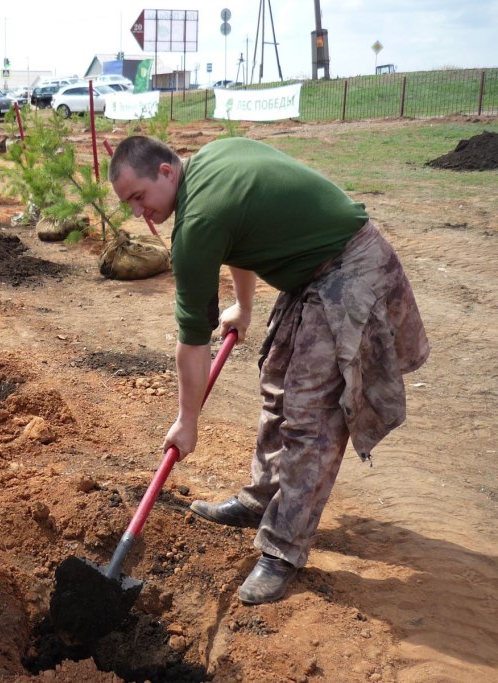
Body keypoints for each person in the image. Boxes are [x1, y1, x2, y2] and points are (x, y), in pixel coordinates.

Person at [109, 136, 429, 605]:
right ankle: (261, 499)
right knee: (278, 381)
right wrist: (243, 307)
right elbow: (240, 238)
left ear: (165, 171)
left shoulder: (197, 219)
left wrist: (188, 421)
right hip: (313, 270)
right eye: (128, 205)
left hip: (350, 267)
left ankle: (283, 551)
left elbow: (192, 342)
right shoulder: (210, 163)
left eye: (139, 197)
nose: (140, 212)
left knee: (310, 416)